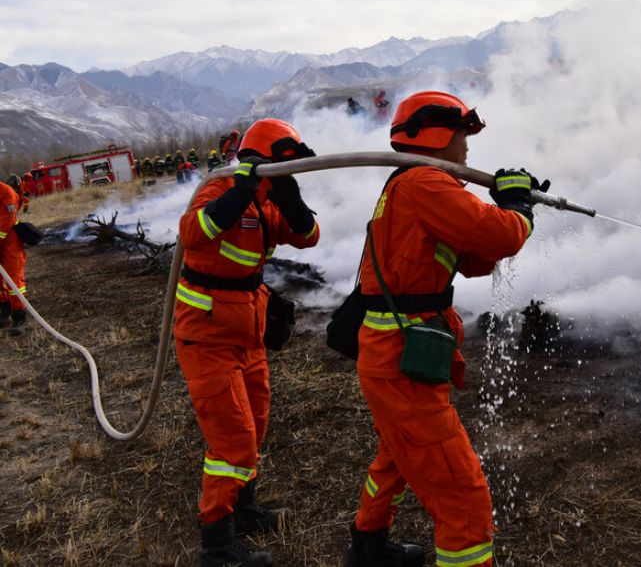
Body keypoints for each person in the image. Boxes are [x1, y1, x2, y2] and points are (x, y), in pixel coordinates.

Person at [345, 91, 544, 567]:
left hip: (392, 357)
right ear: (439, 136)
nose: (468, 148)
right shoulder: (426, 184)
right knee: (462, 495)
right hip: (400, 363)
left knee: (396, 455)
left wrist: (507, 207)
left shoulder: (414, 185)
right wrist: (517, 212)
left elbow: (474, 257)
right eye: (462, 135)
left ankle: (368, 550)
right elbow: (499, 235)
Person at [174, 118, 320, 566]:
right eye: (286, 166)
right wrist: (238, 193)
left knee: (254, 423)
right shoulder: (219, 191)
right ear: (267, 160)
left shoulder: (267, 200)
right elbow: (192, 234)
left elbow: (309, 238)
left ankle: (244, 508)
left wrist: (294, 203)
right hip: (207, 334)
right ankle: (216, 543)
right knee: (232, 439)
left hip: (248, 332)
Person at [0, 176, 29, 335]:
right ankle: (3, 313)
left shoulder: (6, 192)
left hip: (9, 241)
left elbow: (7, 219)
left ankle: (19, 317)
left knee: (13, 278)